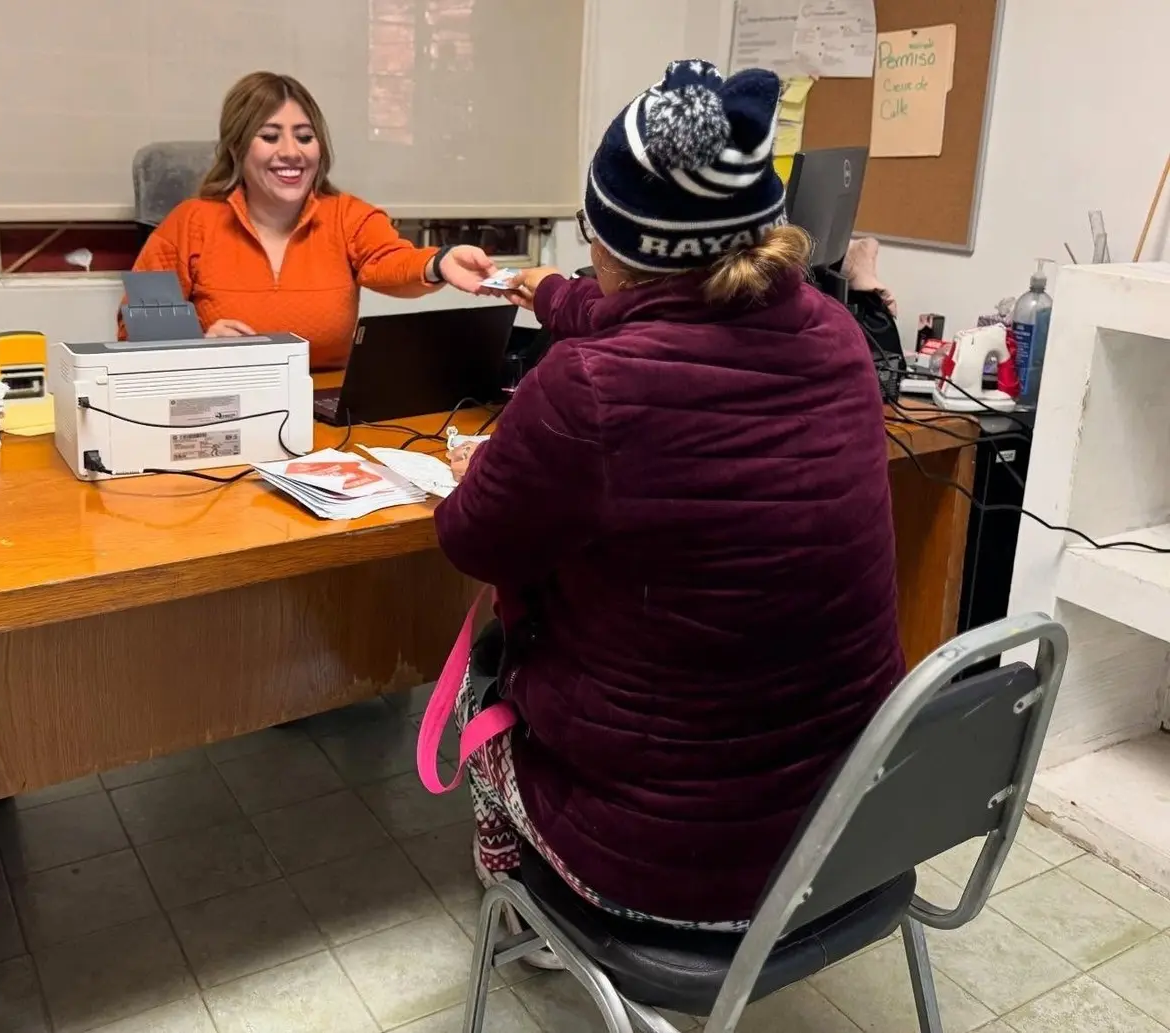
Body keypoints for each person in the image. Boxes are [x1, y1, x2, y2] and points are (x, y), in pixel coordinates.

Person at [434, 60, 904, 936]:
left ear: (618, 245)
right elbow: (667, 315)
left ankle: (523, 923)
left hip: (668, 875)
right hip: (845, 842)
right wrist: (546, 291)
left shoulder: (588, 392)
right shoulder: (838, 335)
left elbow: (471, 539)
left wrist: (480, 473)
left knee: (477, 698)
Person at [126, 71, 497, 369]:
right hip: (222, 398)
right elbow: (136, 331)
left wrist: (440, 261)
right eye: (270, 137)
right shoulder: (189, 224)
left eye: (305, 137)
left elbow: (390, 260)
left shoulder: (348, 216)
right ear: (238, 147)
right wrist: (199, 345)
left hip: (327, 404)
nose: (291, 152)